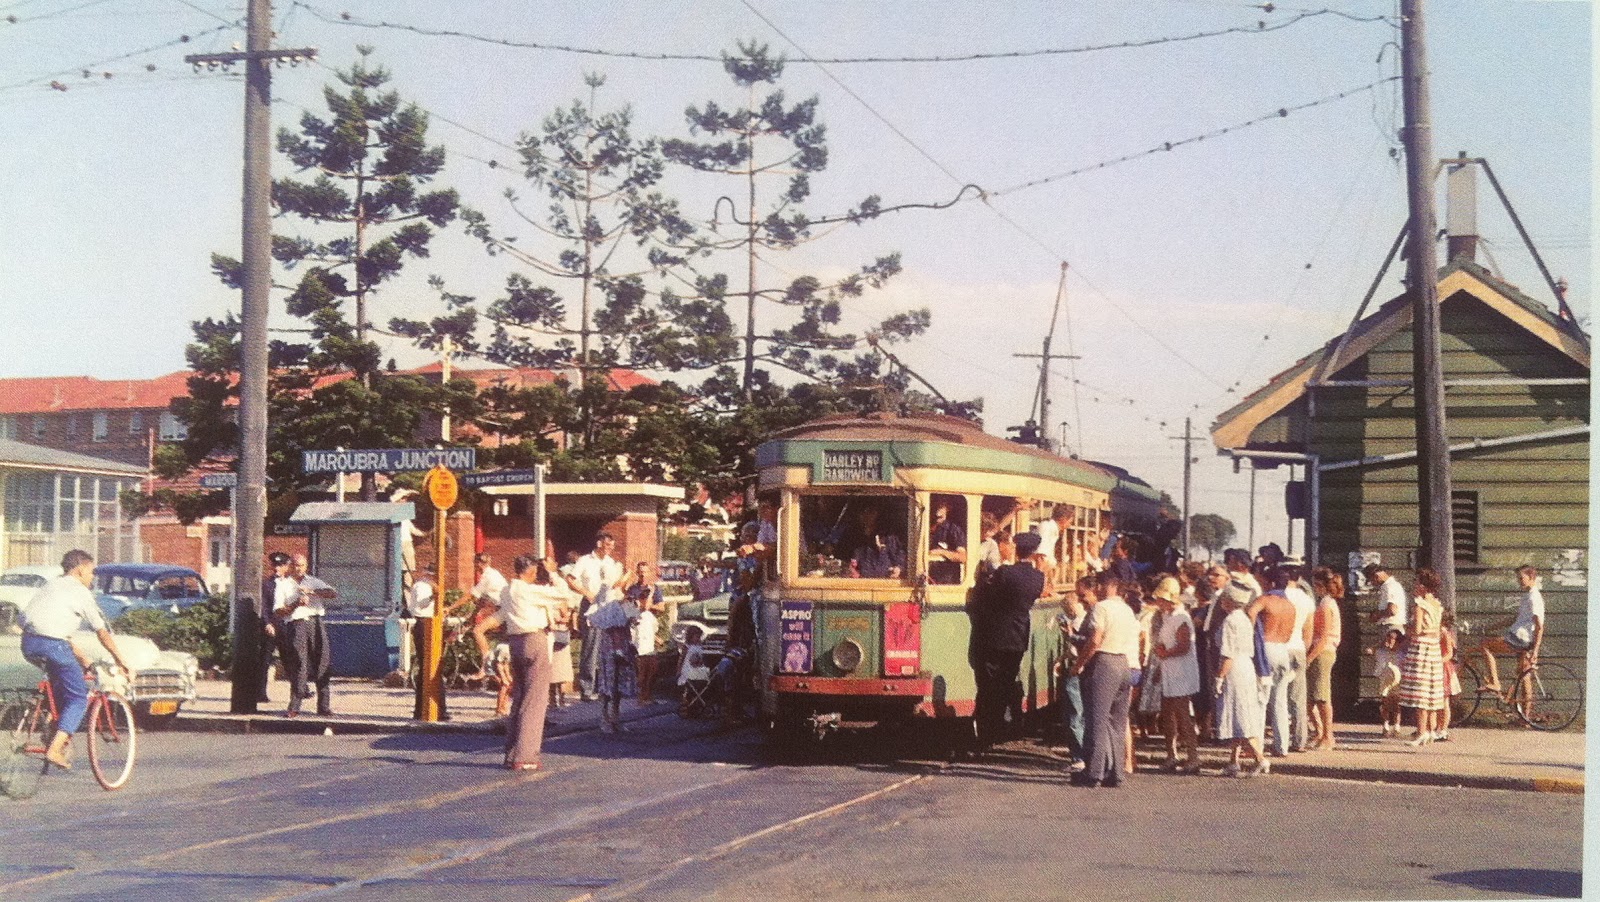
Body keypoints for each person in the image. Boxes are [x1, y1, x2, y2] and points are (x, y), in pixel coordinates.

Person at [19, 550, 133, 770]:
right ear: (81, 569)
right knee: (79, 696)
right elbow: (102, 632)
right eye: (91, 572)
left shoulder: (51, 585)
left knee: (61, 681)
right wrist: (121, 661)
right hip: (54, 645)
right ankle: (54, 748)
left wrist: (83, 659)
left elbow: (55, 631)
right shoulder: (80, 593)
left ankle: (52, 726)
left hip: (29, 643)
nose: (92, 577)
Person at [966, 531, 1046, 749]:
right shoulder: (1038, 577)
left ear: (1016, 548)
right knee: (1006, 683)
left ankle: (985, 733)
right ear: (1034, 552)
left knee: (987, 685)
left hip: (994, 635)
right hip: (1018, 637)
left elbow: (986, 595)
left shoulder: (1005, 573)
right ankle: (999, 728)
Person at [1071, 568, 1140, 787]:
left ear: (1105, 586)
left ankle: (1094, 772)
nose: (1097, 590)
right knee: (1117, 722)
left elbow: (1095, 639)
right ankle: (1116, 772)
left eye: (1098, 586)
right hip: (1123, 662)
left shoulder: (1101, 608)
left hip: (1104, 663)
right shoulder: (1127, 610)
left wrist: (1079, 664)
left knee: (1097, 720)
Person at [501, 555, 566, 770]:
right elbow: (563, 595)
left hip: (515, 642)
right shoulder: (528, 591)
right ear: (531, 571)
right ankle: (526, 755)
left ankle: (511, 752)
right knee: (535, 700)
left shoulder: (507, 590)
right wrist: (554, 573)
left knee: (519, 697)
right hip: (533, 639)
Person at [1214, 579, 1268, 776]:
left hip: (1234, 668)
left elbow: (1228, 653)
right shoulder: (1245, 618)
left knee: (1240, 716)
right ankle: (1233, 761)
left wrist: (1220, 677)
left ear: (1229, 601)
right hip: (1246, 666)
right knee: (1238, 713)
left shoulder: (1230, 621)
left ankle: (1259, 758)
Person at [1151, 576, 1201, 774]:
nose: (1158, 601)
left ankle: (1193, 757)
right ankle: (1172, 755)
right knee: (1168, 715)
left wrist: (1165, 653)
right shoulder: (1169, 617)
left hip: (1181, 673)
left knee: (1182, 716)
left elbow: (1184, 646)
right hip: (1170, 671)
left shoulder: (1181, 618)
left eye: (1161, 598)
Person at [279, 553, 337, 718]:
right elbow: (279, 611)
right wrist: (296, 603)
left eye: (302, 565)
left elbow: (332, 593)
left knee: (322, 662)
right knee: (299, 664)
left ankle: (323, 706)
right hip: (297, 624)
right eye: (296, 565)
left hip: (315, 622)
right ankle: (294, 707)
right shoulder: (284, 585)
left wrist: (312, 592)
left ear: (306, 567)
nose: (298, 569)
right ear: (291, 567)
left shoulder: (312, 581)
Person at [1249, 567, 1298, 758]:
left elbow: (1251, 614)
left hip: (1265, 648)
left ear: (1269, 583)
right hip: (1282, 650)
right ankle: (1281, 746)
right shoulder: (1290, 606)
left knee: (1260, 700)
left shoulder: (1264, 600)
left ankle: (1258, 746)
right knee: (1280, 701)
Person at [1476, 565, 1545, 699]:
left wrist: (1536, 651)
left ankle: (1495, 683)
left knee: (1485, 645)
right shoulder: (1528, 596)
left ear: (1531, 577)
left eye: (1521, 578)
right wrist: (1491, 627)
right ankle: (1525, 718)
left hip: (1520, 639)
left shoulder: (1534, 598)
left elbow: (1539, 626)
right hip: (1521, 638)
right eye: (1518, 578)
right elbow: (1515, 618)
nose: (1519, 581)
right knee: (1524, 675)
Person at [570, 533, 624, 701]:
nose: (609, 550)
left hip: (607, 605)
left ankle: (603, 688)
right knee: (591, 647)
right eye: (607, 546)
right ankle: (586, 689)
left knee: (607, 648)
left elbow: (615, 585)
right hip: (591, 606)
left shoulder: (610, 563)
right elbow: (571, 579)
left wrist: (624, 577)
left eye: (612, 547)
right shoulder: (585, 561)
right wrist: (586, 593)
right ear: (599, 543)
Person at [1398, 567, 1447, 746]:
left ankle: (1421, 731)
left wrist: (1406, 629)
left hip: (1420, 648)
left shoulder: (1420, 604)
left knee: (1420, 691)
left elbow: (1417, 630)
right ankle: (1430, 730)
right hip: (1433, 648)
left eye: (1418, 582)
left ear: (1424, 586)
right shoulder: (1437, 604)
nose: (1415, 585)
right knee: (1431, 691)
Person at [587, 575, 639, 733]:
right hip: (610, 650)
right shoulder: (609, 607)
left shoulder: (623, 605)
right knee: (608, 683)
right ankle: (604, 718)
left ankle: (615, 717)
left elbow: (627, 626)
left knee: (619, 683)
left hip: (622, 646)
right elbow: (613, 628)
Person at [1053, 576, 1092, 771]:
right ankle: (1085, 755)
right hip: (1083, 668)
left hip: (1077, 669)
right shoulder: (1085, 619)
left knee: (1075, 714)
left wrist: (1068, 635)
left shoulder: (1077, 623)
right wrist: (1061, 659)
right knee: (1083, 713)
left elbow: (1078, 647)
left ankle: (1079, 757)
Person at [406, 563, 453, 720]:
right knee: (427, 666)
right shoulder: (421, 586)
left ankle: (438, 708)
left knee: (435, 667)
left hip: (433, 623)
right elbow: (421, 604)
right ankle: (423, 708)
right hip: (424, 624)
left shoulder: (430, 587)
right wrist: (435, 594)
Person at [1306, 567, 1344, 749]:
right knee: (1312, 696)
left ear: (1320, 585)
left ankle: (1328, 736)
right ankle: (1320, 732)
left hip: (1323, 652)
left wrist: (1310, 657)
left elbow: (1323, 635)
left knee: (1322, 696)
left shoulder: (1326, 604)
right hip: (1322, 651)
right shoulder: (1325, 603)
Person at [1282, 562, 1316, 752]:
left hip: (1280, 647)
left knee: (1278, 697)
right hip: (1298, 648)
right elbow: (1308, 632)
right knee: (1298, 697)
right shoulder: (1306, 599)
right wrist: (1304, 650)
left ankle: (1280, 738)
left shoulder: (1278, 596)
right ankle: (1299, 739)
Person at [621, 562, 664, 704]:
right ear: (637, 573)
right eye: (640, 572)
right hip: (637, 627)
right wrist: (641, 606)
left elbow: (661, 607)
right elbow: (629, 609)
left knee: (652, 664)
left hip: (649, 625)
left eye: (645, 572)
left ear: (649, 572)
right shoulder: (632, 590)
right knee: (641, 662)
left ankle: (648, 694)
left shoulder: (655, 589)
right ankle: (640, 695)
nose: (643, 574)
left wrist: (647, 604)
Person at [256, 551, 293, 704]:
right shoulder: (267, 584)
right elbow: (263, 606)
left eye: (280, 565)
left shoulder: (292, 583)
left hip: (287, 625)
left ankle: (300, 690)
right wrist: (267, 623)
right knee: (265, 660)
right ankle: (260, 693)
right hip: (272, 625)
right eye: (274, 565)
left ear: (286, 567)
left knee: (290, 659)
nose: (276, 568)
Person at [849, 504, 904, 579]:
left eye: (871, 512)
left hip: (884, 583)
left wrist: (898, 568)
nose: (867, 515)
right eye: (863, 512)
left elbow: (900, 557)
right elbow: (843, 560)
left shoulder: (888, 537)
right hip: (858, 584)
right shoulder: (852, 536)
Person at [926, 495, 967, 586]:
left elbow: (962, 556)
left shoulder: (953, 530)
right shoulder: (923, 526)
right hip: (924, 579)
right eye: (935, 505)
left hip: (945, 584)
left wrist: (940, 552)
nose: (937, 510)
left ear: (948, 508)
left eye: (941, 506)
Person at [1364, 562, 1408, 636]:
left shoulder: (1390, 587)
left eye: (1371, 580)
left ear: (1376, 576)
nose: (1372, 584)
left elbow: (1392, 610)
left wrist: (1377, 615)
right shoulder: (1391, 586)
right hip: (1392, 627)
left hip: (1391, 628)